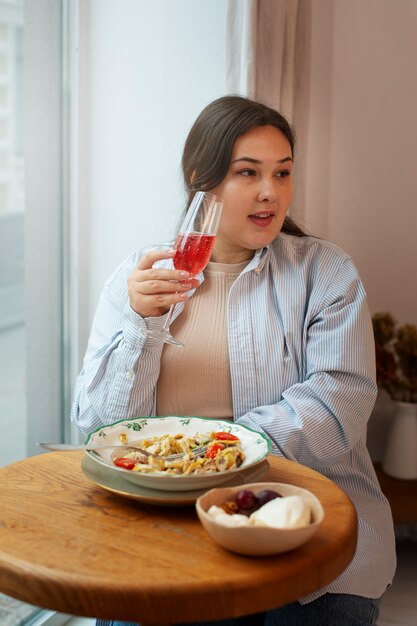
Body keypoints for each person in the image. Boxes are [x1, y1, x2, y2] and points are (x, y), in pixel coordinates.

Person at [71, 95, 396, 626]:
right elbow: (97, 426)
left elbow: (340, 406)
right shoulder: (140, 277)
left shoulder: (326, 273)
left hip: (302, 520)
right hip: (166, 524)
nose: (271, 192)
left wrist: (214, 451)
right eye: (248, 172)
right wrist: (139, 325)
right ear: (203, 179)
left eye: (283, 172)